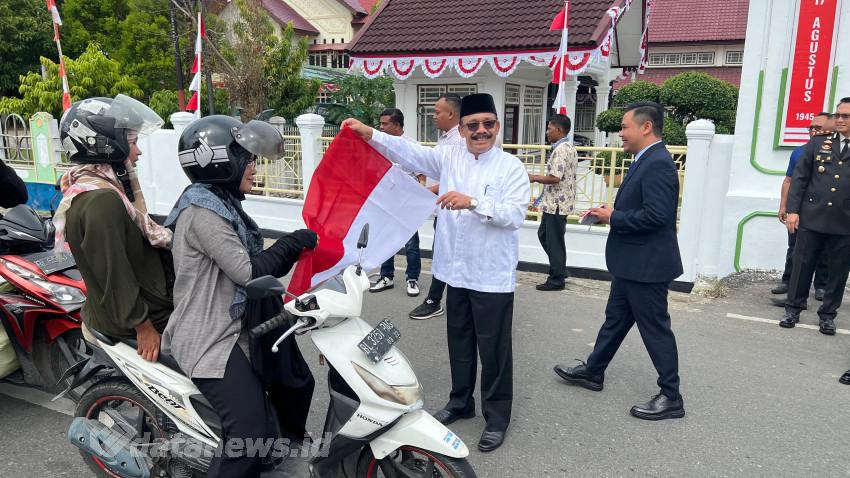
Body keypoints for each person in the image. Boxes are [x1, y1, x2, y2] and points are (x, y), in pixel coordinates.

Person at [342, 93, 531, 452]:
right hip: (453, 271)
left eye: (488, 124)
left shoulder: (510, 167)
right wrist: (371, 134)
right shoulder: (448, 156)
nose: (481, 131)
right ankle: (461, 401)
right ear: (460, 130)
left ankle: (497, 416)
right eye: (473, 125)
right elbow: (410, 152)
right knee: (459, 344)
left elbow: (514, 216)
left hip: (491, 276)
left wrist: (473, 202)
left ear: (497, 126)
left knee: (494, 351)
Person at [162, 115, 318, 477]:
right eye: (246, 158)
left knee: (287, 393)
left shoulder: (223, 203)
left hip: (233, 325)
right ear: (220, 161)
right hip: (207, 337)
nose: (253, 165)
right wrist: (292, 243)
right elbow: (248, 272)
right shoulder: (203, 212)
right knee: (248, 437)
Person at [553, 101, 685, 421]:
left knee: (655, 330)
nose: (620, 133)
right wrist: (608, 214)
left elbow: (658, 216)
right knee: (615, 320)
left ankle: (671, 396)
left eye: (625, 127)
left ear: (646, 127)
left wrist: (615, 216)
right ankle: (593, 371)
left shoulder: (658, 163)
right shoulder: (644, 160)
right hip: (631, 263)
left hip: (647, 265)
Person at [54, 95, 173, 362]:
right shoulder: (101, 200)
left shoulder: (97, 189)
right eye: (132, 143)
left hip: (143, 309)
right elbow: (113, 272)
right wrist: (143, 326)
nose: (138, 152)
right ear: (106, 145)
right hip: (140, 320)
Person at [781, 97, 850, 337]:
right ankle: (793, 309)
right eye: (838, 115)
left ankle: (828, 315)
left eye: (846, 116)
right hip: (812, 216)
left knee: (837, 272)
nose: (840, 119)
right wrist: (793, 211)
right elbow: (799, 179)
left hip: (844, 221)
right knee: (802, 265)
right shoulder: (818, 143)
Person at [409, 93, 465, 320]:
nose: (434, 116)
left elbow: (455, 179)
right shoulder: (446, 138)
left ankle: (434, 300)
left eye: (437, 111)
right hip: (443, 208)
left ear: (451, 114)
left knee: (446, 253)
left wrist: (426, 192)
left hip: (453, 209)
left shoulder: (459, 142)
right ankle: (441, 299)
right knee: (444, 253)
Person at [772, 112, 832, 301]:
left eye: (819, 128)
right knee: (795, 248)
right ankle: (788, 282)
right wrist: (784, 206)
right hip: (799, 210)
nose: (814, 131)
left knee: (823, 250)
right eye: (811, 128)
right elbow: (789, 181)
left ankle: (821, 286)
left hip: (824, 211)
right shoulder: (799, 152)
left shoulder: (836, 153)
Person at [369, 108, 423, 297]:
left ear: (397, 125)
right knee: (386, 240)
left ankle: (412, 279)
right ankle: (387, 277)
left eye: (385, 124)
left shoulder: (411, 147)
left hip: (406, 204)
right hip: (386, 202)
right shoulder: (380, 146)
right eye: (380, 124)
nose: (381, 127)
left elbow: (422, 176)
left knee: (411, 244)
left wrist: (417, 201)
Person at [529, 114, 578, 291]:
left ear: (559, 129)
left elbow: (555, 177)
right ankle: (560, 268)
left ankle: (557, 278)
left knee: (553, 240)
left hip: (558, 203)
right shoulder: (566, 147)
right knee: (545, 235)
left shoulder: (562, 149)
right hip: (555, 202)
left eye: (550, 128)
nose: (547, 132)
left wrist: (533, 177)